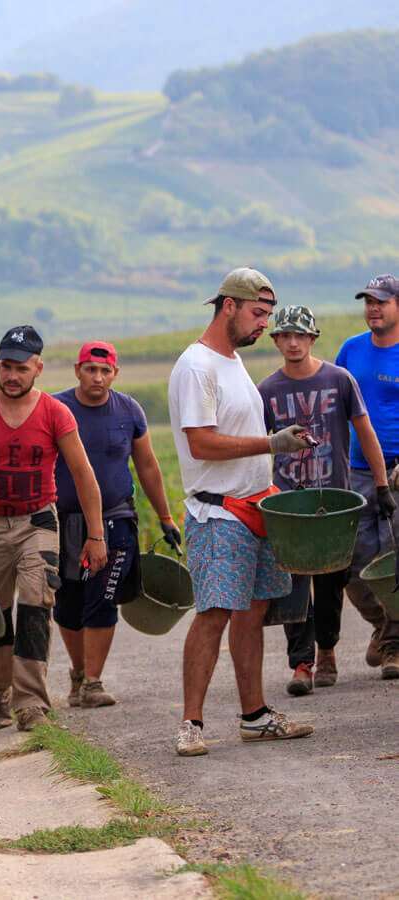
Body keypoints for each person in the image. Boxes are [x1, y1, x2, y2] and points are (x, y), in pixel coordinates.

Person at [168, 268, 315, 757]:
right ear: (227, 305)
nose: (263, 326)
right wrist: (271, 441)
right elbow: (202, 442)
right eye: (258, 314)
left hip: (256, 506)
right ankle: (190, 724)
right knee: (213, 614)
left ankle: (254, 716)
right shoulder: (197, 366)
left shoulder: (233, 362)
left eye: (267, 315)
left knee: (251, 615)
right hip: (218, 514)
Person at [0, 325, 106, 732]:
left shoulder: (54, 413)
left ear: (38, 368)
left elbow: (82, 473)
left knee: (34, 604)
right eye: (5, 366)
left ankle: (31, 703)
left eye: (21, 368)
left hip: (38, 523)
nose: (12, 375)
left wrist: (96, 535)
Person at [258, 305, 390, 694]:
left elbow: (365, 433)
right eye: (285, 336)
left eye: (301, 335)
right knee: (293, 581)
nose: (293, 342)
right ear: (277, 340)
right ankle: (301, 664)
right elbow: (256, 445)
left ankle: (327, 651)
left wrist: (381, 485)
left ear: (313, 338)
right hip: (289, 502)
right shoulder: (267, 390)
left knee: (332, 581)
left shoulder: (339, 379)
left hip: (334, 496)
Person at [53, 341, 181, 708]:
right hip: (66, 521)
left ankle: (93, 681)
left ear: (115, 374)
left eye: (104, 371)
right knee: (68, 601)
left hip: (116, 519)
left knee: (104, 597)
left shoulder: (129, 410)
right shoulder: (56, 408)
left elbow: (148, 467)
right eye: (90, 370)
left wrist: (166, 517)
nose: (97, 377)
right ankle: (77, 673)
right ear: (77, 370)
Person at [335, 274, 399, 680]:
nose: (373, 308)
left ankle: (394, 646)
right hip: (357, 470)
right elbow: (335, 403)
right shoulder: (351, 350)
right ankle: (381, 625)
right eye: (368, 301)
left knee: (395, 560)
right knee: (352, 563)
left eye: (381, 301)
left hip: (398, 470)